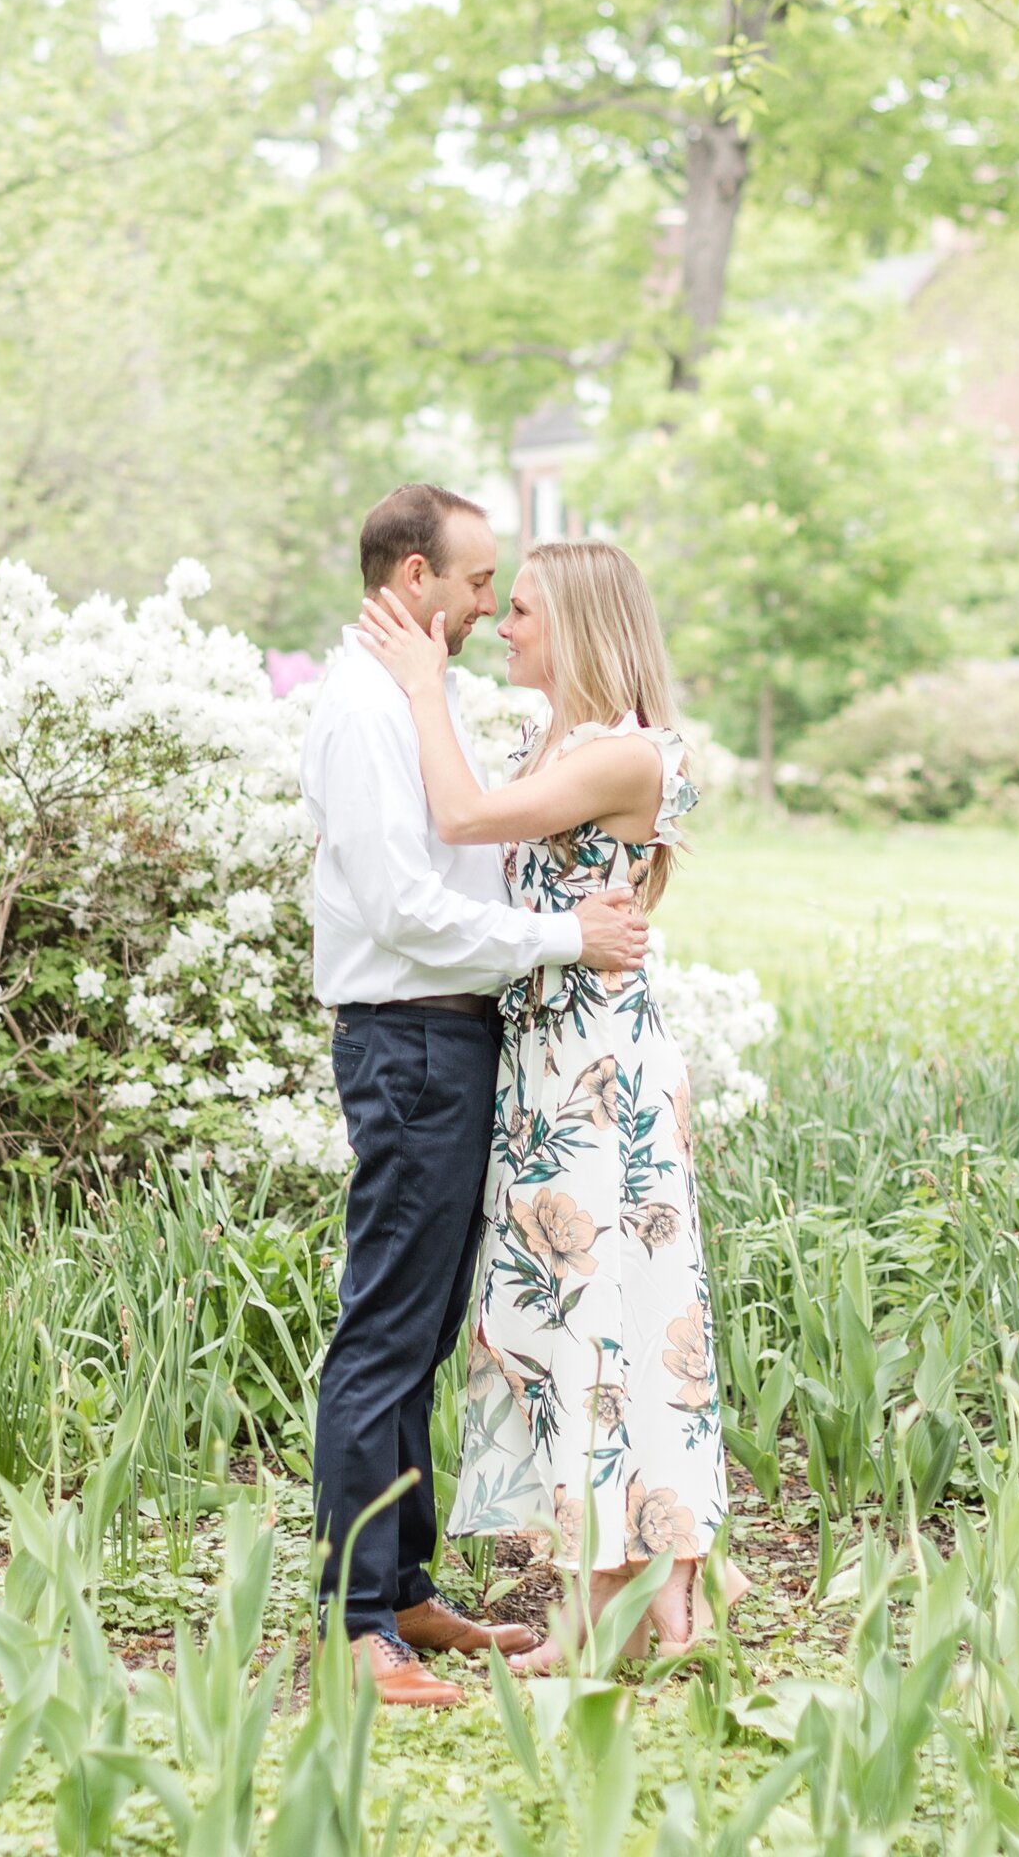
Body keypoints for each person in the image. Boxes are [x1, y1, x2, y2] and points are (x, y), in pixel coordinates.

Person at [357, 535, 742, 1665]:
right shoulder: (548, 740)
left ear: (575, 622)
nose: (502, 625)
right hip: (540, 1069)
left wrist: (423, 689)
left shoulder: (627, 755)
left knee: (596, 1322)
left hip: (596, 1079)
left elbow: (467, 821)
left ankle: (605, 1615)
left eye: (520, 609)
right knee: (564, 1325)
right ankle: (644, 1593)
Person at [302, 484, 652, 1709]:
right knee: (384, 1328)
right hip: (403, 1042)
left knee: (425, 1326)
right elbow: (400, 910)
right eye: (471, 584)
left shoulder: (421, 699)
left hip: (451, 1042)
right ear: (412, 579)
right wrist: (562, 935)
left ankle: (401, 1590)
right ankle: (357, 1624)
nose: (485, 606)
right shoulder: (361, 711)